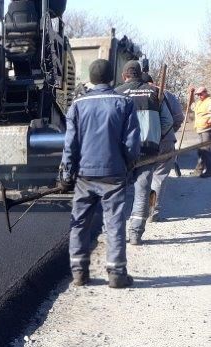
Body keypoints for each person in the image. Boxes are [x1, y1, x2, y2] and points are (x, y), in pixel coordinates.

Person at [60, 58, 141, 289]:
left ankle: (79, 273)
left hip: (84, 176)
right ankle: (116, 274)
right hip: (113, 174)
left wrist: (66, 174)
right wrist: (129, 165)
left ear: (91, 79)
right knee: (114, 222)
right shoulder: (124, 103)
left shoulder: (77, 105)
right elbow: (132, 143)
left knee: (79, 224)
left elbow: (70, 144)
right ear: (111, 78)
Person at [115, 61, 173, 245]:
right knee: (142, 191)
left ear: (124, 76)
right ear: (140, 74)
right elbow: (167, 121)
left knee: (118, 192)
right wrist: (155, 136)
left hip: (122, 152)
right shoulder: (155, 93)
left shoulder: (117, 93)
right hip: (148, 149)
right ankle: (135, 235)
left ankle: (116, 234)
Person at [142, 72, 185, 222]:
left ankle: (139, 211)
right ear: (152, 82)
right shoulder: (167, 95)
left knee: (143, 177)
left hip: (143, 143)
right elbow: (179, 118)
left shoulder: (135, 94)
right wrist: (169, 132)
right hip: (165, 141)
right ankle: (152, 212)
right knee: (159, 177)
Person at [191, 86, 211, 178]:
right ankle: (198, 170)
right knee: (201, 151)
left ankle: (209, 171)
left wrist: (210, 121)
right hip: (200, 129)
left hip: (208, 130)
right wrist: (191, 94)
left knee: (207, 151)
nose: (199, 96)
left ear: (205, 92)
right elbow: (192, 106)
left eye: (201, 94)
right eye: (198, 95)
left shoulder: (210, 101)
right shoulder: (199, 103)